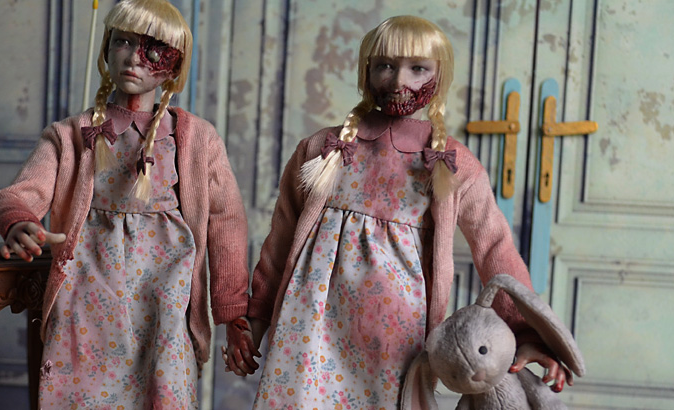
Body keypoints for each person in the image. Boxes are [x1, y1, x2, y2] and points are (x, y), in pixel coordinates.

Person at [222, 15, 574, 409]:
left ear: (440, 76)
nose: (398, 80)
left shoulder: (451, 162)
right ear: (366, 70)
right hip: (310, 327)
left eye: (417, 68)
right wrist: (255, 320)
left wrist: (527, 335)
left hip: (397, 340)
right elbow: (281, 240)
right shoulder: (322, 148)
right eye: (385, 65)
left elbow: (496, 249)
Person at [0, 0, 249, 407]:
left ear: (175, 66)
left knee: (164, 388)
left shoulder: (198, 139)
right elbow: (19, 194)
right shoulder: (71, 135)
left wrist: (232, 309)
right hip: (87, 287)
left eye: (153, 49)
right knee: (83, 392)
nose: (133, 58)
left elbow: (226, 222)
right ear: (106, 48)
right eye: (122, 42)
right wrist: (19, 221)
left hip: (166, 291)